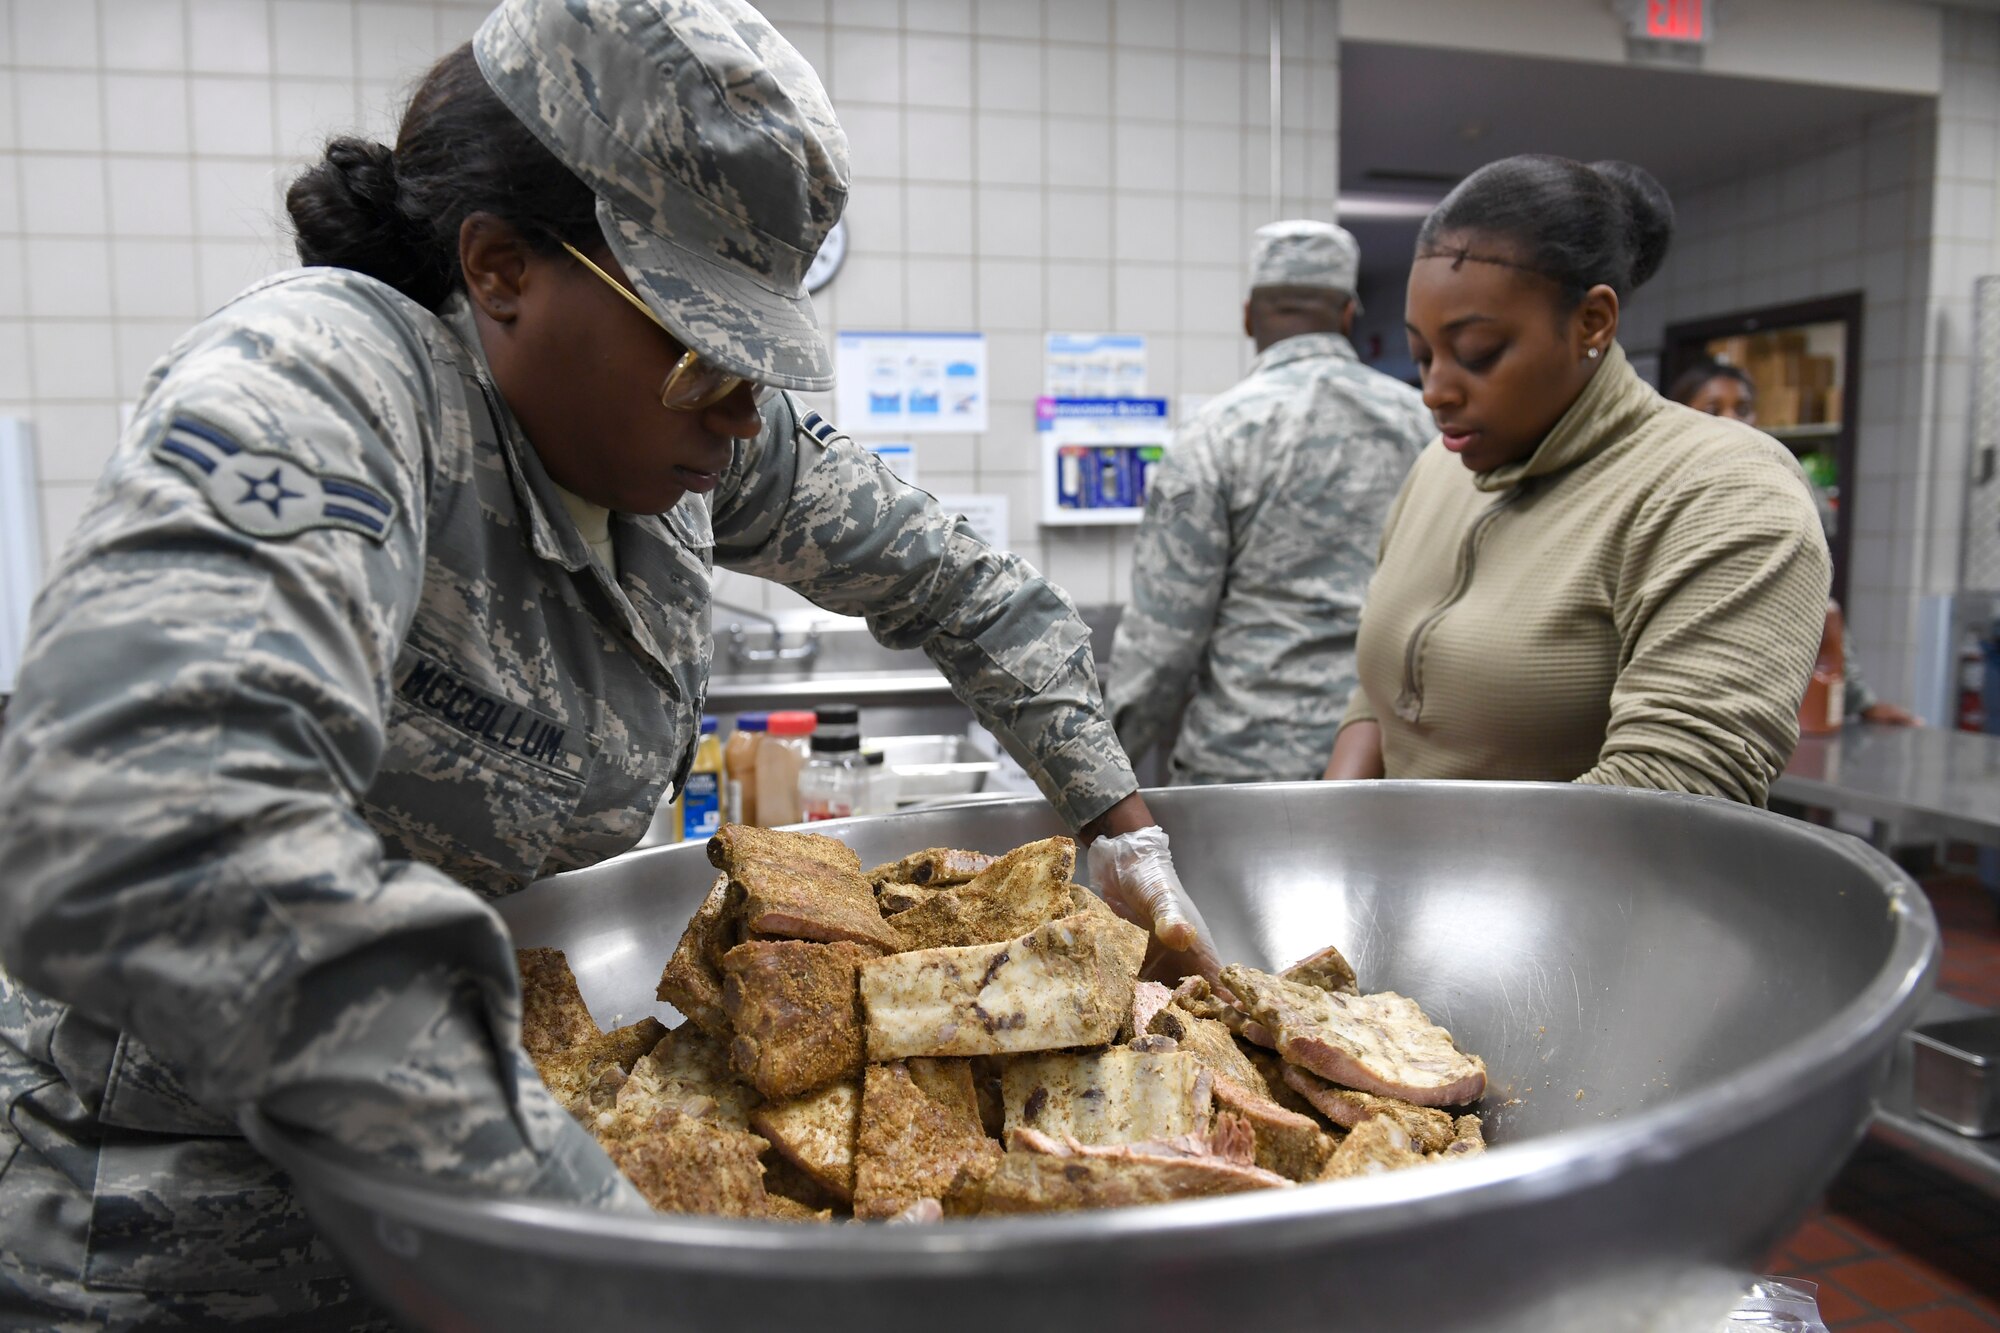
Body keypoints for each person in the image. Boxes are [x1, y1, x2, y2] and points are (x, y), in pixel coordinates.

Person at [0, 3, 1207, 1324]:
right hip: (181, 1225)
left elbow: (963, 582)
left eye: (762, 359)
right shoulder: (329, 383)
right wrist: (587, 1237)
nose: (743, 412)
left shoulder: (679, 446)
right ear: (503, 266)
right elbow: (148, 828)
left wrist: (1123, 829)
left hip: (474, 1217)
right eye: (699, 349)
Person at [1323, 156, 1831, 803]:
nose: (1435, 390)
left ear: (1593, 322)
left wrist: (1417, 879)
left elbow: (1675, 791)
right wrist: (1326, 834)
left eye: (1477, 353)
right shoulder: (1439, 468)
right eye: (1423, 354)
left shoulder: (1722, 492)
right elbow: (1382, 685)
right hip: (1400, 886)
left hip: (1593, 898)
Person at [1106, 221, 1431, 785]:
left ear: (1248, 316)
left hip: (1245, 772)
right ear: (1349, 314)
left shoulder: (1213, 437)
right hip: (1390, 762)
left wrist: (1096, 777)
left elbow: (1162, 645)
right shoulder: (1424, 424)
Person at [1667, 358, 1920, 727]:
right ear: (1678, 416)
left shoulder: (1780, 491)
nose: (1732, 420)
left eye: (1743, 409)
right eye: (1712, 409)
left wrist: (1861, 701)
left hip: (1761, 699)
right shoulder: (1664, 495)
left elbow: (1820, 604)